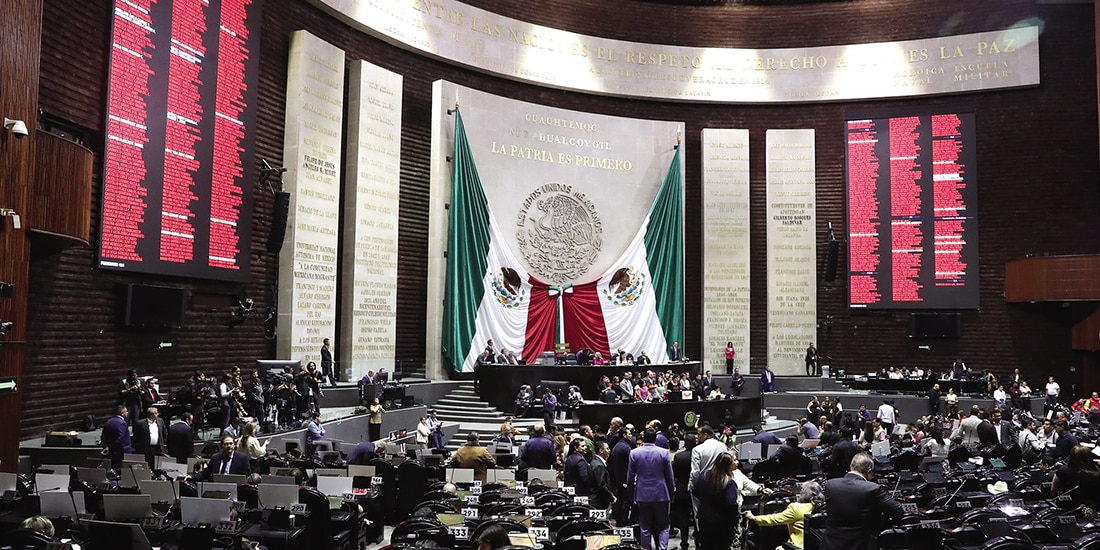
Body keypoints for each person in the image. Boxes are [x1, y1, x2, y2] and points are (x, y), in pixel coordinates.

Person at [821, 453, 904, 550]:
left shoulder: (830, 485)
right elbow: (898, 511)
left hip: (830, 544)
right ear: (869, 471)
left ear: (851, 466)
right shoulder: (872, 489)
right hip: (859, 544)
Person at [627, 428, 674, 550]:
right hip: (661, 493)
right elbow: (669, 477)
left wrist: (631, 496)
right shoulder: (664, 453)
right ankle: (663, 548)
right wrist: (671, 494)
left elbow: (630, 478)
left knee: (645, 527)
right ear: (655, 438)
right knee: (664, 526)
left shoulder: (634, 453)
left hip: (642, 494)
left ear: (643, 438)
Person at [747, 480, 822, 550]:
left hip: (798, 547)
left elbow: (775, 519)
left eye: (801, 489)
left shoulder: (796, 508)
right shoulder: (822, 507)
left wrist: (754, 518)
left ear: (804, 492)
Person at [690, 452, 739, 550]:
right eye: (733, 461)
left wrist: (706, 499)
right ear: (727, 466)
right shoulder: (729, 483)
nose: (736, 462)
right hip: (722, 522)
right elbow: (731, 504)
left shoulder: (703, 475)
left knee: (706, 546)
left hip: (704, 518)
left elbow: (695, 490)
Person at [1052, 445, 1100, 513]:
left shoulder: (1062, 470)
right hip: (1090, 512)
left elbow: (1053, 489)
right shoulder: (1096, 476)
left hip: (1065, 507)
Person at [100, 405, 131, 472]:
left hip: (111, 453)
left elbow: (103, 436)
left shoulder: (108, 421)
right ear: (122, 413)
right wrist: (111, 448)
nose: (127, 413)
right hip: (121, 452)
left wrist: (106, 447)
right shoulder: (122, 423)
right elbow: (121, 439)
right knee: (121, 471)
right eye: (126, 411)